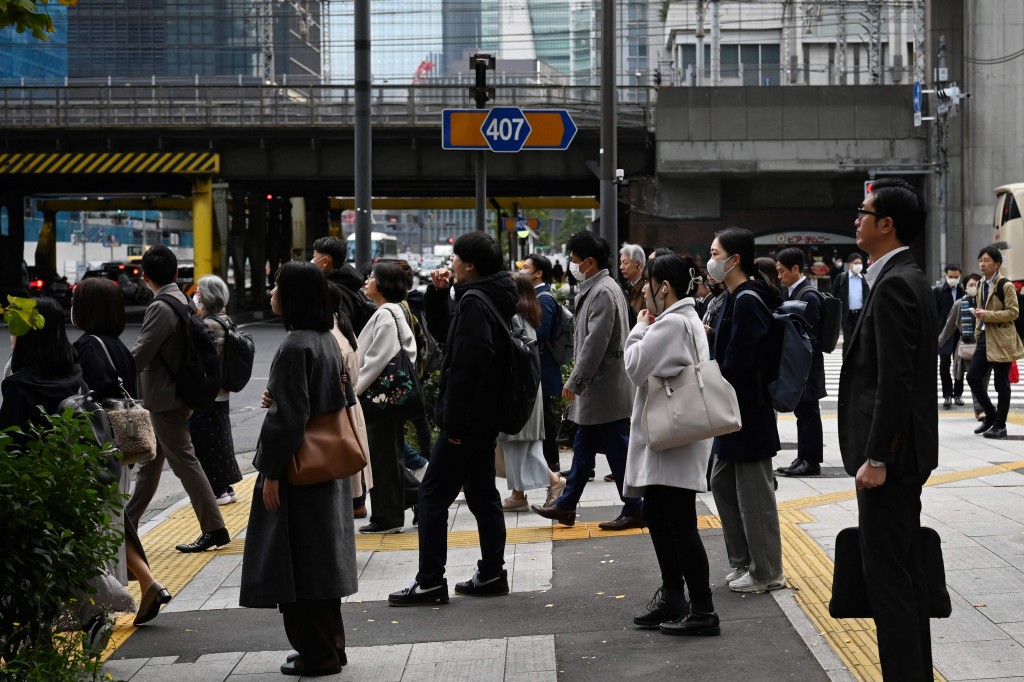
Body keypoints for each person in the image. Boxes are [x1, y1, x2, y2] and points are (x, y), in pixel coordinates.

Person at [838, 178, 938, 680]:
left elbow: (895, 381)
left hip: (892, 462)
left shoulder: (896, 282)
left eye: (864, 212)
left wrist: (877, 457)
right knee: (902, 576)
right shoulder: (901, 276)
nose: (856, 219)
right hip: (902, 457)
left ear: (887, 225)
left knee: (889, 582)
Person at [240, 261, 358, 677]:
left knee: (298, 565)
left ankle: (317, 654)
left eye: (276, 286)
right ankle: (331, 647)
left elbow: (288, 419)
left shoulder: (294, 346)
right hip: (327, 467)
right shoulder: (326, 338)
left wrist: (271, 473)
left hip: (298, 471)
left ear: (292, 296)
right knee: (323, 563)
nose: (271, 293)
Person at [388, 232, 516, 606]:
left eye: (456, 257)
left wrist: (455, 426)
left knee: (431, 496)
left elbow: (466, 368)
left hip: (469, 421)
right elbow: (451, 338)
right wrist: (439, 295)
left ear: (470, 264)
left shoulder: (476, 301)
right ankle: (492, 573)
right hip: (484, 418)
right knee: (481, 493)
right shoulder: (488, 295)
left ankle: (429, 581)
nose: (452, 262)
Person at [624, 255, 719, 637]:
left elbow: (633, 366)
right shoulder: (685, 319)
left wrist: (638, 328)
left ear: (665, 286)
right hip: (674, 435)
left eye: (648, 282)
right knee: (662, 517)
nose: (643, 290)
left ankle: (703, 609)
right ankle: (675, 597)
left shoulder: (669, 325)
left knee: (679, 523)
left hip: (672, 438)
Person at [70, 279, 173, 627]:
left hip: (98, 448)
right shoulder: (120, 348)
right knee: (115, 520)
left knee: (99, 527)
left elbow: (84, 400)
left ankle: (102, 606)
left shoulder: (86, 347)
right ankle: (146, 584)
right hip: (124, 449)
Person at [531, 230, 643, 531]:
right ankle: (567, 505)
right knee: (583, 452)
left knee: (616, 453)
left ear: (590, 262)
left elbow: (594, 344)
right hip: (600, 391)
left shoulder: (603, 292)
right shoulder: (600, 288)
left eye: (575, 260)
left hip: (602, 390)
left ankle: (634, 506)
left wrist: (575, 381)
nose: (571, 265)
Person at [124, 246, 229, 554]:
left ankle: (214, 527)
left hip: (166, 399)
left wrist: (114, 370)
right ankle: (127, 524)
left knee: (185, 463)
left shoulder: (160, 306)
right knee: (150, 466)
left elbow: (143, 351)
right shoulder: (181, 299)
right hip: (177, 394)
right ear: (174, 273)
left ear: (145, 277)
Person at [707, 227, 785, 593]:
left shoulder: (748, 299)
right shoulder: (733, 296)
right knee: (722, 482)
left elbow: (739, 360)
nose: (711, 260)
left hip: (748, 411)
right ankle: (743, 562)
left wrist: (709, 376)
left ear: (734, 259)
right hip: (733, 410)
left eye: (715, 253)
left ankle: (767, 572)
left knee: (754, 494)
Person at [355, 261, 417, 534]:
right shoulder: (390, 312)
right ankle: (413, 499)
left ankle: (388, 516)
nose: (367, 281)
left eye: (371, 277)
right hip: (391, 397)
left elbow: (376, 360)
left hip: (381, 399)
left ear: (383, 284)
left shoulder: (386, 314)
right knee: (386, 456)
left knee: (384, 457)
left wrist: (353, 390)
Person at [500, 273, 566, 512]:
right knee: (519, 447)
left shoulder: (515, 318)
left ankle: (556, 481)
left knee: (524, 447)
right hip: (527, 390)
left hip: (521, 393)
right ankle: (518, 495)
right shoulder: (527, 317)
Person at [188, 274, 243, 504]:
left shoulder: (208, 324)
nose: (195, 295)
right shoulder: (226, 320)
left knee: (206, 442)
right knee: (220, 439)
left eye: (199, 292)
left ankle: (218, 489)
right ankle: (226, 487)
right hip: (222, 391)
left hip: (209, 392)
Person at [775, 248, 826, 478]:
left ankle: (811, 461)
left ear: (796, 269)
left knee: (809, 413)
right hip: (800, 366)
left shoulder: (808, 296)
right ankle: (803, 457)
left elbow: (810, 337)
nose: (779, 276)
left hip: (808, 367)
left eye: (782, 271)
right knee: (802, 413)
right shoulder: (795, 293)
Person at [967, 246, 1024, 439]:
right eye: (980, 260)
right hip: (985, 338)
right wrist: (978, 332)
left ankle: (1000, 425)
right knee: (973, 377)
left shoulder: (1005, 286)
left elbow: (1014, 312)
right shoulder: (981, 283)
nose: (982, 264)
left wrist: (988, 315)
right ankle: (991, 414)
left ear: (997, 264)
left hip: (1002, 339)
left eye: (986, 260)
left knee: (1001, 383)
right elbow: (980, 310)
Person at [520, 253, 564, 473]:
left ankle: (552, 462)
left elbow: (541, 334)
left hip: (543, 369)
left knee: (545, 417)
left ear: (538, 273)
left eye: (526, 267)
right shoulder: (535, 296)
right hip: (539, 368)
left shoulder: (544, 299)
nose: (521, 270)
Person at [939, 273, 984, 418]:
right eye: (970, 285)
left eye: (976, 285)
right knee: (975, 378)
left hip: (986, 346)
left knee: (983, 380)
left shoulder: (986, 302)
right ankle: (980, 410)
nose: (973, 288)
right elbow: (949, 327)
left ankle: (984, 407)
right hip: (968, 348)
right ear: (964, 288)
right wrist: (936, 345)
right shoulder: (959, 304)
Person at [311, 235, 375, 334]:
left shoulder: (330, 290)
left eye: (314, 257)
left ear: (325, 262)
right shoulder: (351, 284)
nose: (312, 261)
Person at [935, 263, 965, 408]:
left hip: (960, 335)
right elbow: (933, 313)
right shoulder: (939, 291)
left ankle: (958, 394)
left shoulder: (964, 292)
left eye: (956, 277)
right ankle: (947, 395)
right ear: (945, 276)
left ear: (960, 276)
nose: (953, 279)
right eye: (950, 276)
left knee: (960, 365)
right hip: (944, 334)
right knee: (944, 365)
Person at [832, 253, 868, 358]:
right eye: (856, 263)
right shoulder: (841, 278)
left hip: (861, 315)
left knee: (861, 341)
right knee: (848, 341)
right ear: (850, 265)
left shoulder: (864, 279)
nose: (858, 265)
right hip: (847, 315)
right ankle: (846, 367)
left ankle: (859, 366)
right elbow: (833, 295)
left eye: (860, 263)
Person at [619, 242, 647, 322]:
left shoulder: (647, 289)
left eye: (625, 263)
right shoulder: (627, 288)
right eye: (621, 263)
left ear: (638, 264)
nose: (621, 267)